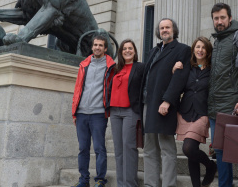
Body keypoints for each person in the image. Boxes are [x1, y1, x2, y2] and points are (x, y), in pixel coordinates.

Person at [208, 3, 238, 187]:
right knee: (219, 151)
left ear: (230, 18)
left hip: (235, 106)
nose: (219, 22)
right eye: (216, 18)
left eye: (222, 18)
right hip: (215, 108)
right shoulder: (217, 41)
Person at [140, 18, 191, 187]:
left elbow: (180, 78)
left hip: (163, 104)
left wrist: (167, 101)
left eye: (167, 27)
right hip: (148, 102)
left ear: (174, 30)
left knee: (167, 148)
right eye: (162, 28)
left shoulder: (183, 50)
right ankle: (150, 184)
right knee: (149, 148)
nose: (164, 30)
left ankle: (169, 185)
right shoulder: (154, 50)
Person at [71, 35, 116, 187]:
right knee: (83, 148)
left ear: (105, 48)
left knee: (99, 148)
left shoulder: (111, 66)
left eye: (101, 45)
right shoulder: (84, 65)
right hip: (82, 112)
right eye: (95, 45)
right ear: (92, 47)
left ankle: (100, 180)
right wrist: (74, 111)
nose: (97, 47)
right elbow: (78, 88)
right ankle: (83, 180)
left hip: (99, 113)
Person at [173, 37, 217, 187]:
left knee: (188, 147)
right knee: (191, 154)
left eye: (204, 47)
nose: (200, 50)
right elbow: (177, 85)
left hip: (202, 113)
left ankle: (210, 166)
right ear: (193, 50)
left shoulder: (213, 70)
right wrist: (174, 71)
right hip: (185, 112)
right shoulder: (187, 68)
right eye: (198, 47)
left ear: (208, 51)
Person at [108, 39, 144, 187]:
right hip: (114, 111)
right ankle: (121, 184)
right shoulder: (116, 68)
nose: (127, 51)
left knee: (129, 147)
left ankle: (130, 184)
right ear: (121, 52)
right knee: (118, 150)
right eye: (124, 49)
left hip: (130, 110)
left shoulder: (140, 67)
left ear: (134, 51)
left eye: (130, 48)